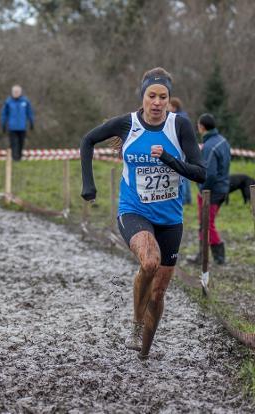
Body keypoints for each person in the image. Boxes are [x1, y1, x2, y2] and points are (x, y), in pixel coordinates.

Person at [80, 67, 206, 359]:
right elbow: (87, 140)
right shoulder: (127, 124)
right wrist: (89, 184)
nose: (158, 102)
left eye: (163, 96)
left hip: (170, 220)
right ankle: (136, 323)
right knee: (150, 262)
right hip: (134, 211)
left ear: (169, 99)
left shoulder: (180, 126)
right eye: (152, 95)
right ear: (143, 97)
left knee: (159, 293)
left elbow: (200, 173)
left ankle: (145, 352)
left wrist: (169, 159)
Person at [194, 113, 231, 266]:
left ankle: (219, 256)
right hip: (222, 188)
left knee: (207, 224)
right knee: (205, 224)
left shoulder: (209, 146)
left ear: (202, 127)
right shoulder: (222, 140)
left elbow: (210, 174)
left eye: (198, 125)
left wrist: (203, 189)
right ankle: (202, 255)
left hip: (211, 191)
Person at [169, 97, 193, 205]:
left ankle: (184, 198)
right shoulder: (184, 116)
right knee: (186, 174)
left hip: (181, 149)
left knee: (182, 174)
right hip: (187, 149)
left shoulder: (177, 118)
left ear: (174, 107)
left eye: (169, 106)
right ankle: (188, 198)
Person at [1, 85, 35, 161]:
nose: (16, 93)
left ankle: (19, 157)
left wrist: (31, 122)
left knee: (21, 143)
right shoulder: (8, 102)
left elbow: (29, 112)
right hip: (12, 127)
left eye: (17, 92)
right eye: (14, 92)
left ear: (20, 92)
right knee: (14, 143)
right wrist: (3, 124)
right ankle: (15, 158)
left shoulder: (25, 101)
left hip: (22, 127)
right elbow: (4, 114)